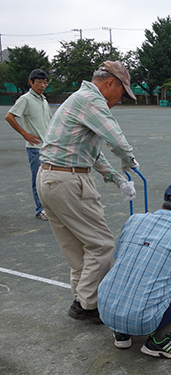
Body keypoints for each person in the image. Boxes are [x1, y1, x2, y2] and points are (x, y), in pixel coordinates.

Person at [37, 61, 139, 323]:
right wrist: (129, 160)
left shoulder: (79, 99)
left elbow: (90, 153)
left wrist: (117, 179)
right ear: (110, 83)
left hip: (49, 178)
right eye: (122, 93)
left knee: (77, 248)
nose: (121, 100)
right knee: (102, 244)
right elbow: (114, 137)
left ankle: (81, 300)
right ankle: (90, 305)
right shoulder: (92, 101)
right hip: (68, 181)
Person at [98, 183, 171, 359]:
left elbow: (119, 256)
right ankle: (158, 340)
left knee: (130, 270)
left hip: (105, 310)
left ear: (163, 205)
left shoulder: (134, 220)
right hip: (141, 320)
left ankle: (121, 332)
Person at [5, 69, 52, 220]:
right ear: (31, 82)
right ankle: (40, 210)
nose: (42, 85)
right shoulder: (25, 99)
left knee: (49, 180)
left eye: (45, 82)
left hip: (48, 147)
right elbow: (9, 116)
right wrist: (24, 133)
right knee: (37, 180)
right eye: (39, 82)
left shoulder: (43, 100)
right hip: (35, 148)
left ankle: (49, 208)